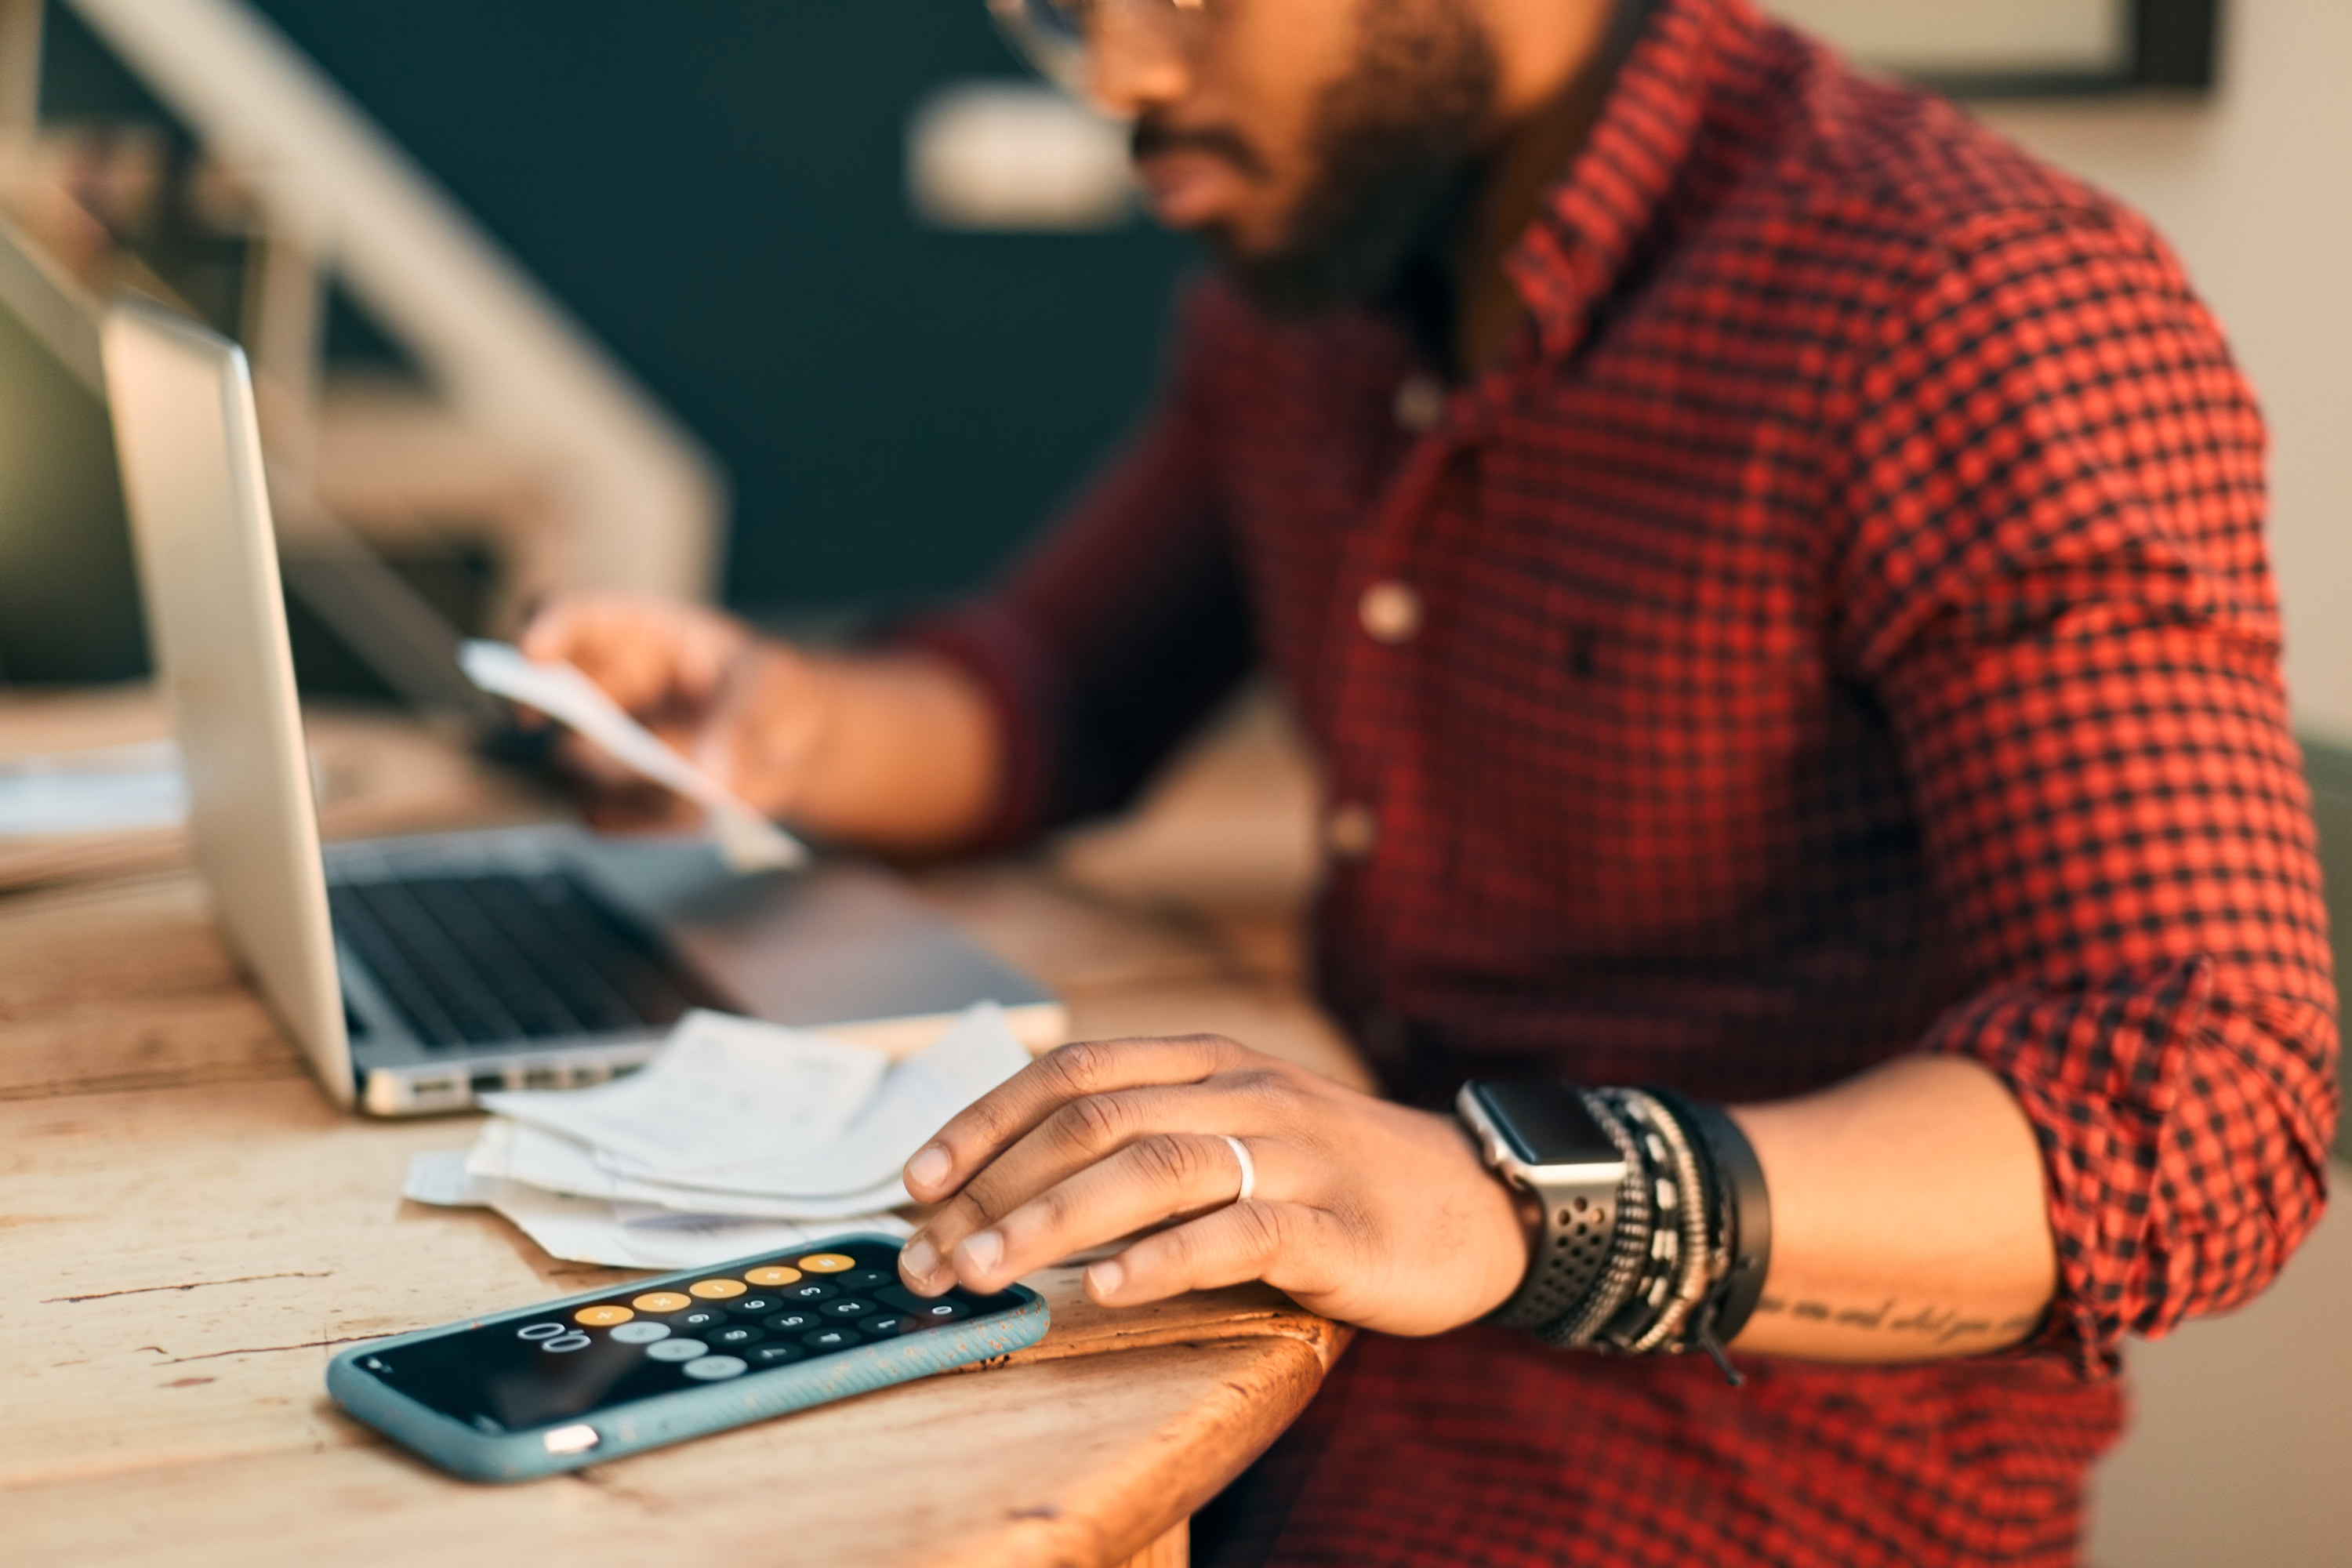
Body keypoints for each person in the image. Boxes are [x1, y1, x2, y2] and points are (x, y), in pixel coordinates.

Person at [522, 0, 2339, 1562]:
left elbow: (2206, 1097)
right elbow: (1056, 694)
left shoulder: (1967, 301)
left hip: (1756, 1474)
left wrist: (1513, 1196)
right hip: (1312, 1356)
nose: (1117, 77)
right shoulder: (1306, 295)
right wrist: (768, 720)